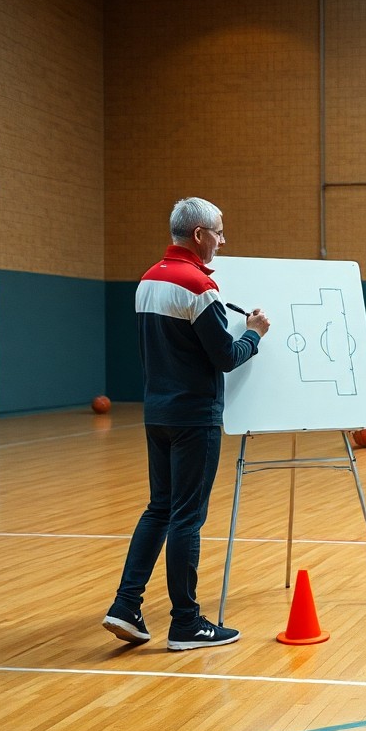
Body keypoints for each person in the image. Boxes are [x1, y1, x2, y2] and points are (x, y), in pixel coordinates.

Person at [103, 196, 270, 651]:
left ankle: (126, 605)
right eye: (219, 231)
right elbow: (226, 357)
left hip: (157, 413)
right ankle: (186, 623)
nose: (223, 240)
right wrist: (254, 333)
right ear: (199, 235)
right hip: (195, 417)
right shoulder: (199, 286)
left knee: (159, 509)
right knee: (186, 518)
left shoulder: (147, 280)